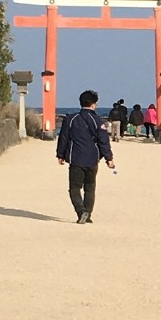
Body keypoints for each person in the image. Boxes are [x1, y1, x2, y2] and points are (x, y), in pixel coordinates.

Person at [56, 89, 115, 224]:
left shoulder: (71, 119)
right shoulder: (98, 120)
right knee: (90, 187)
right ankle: (87, 214)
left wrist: (60, 154)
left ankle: (81, 211)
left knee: (74, 188)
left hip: (76, 158)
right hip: (93, 159)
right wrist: (109, 158)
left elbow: (63, 138)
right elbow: (103, 140)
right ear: (93, 104)